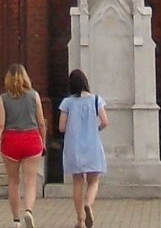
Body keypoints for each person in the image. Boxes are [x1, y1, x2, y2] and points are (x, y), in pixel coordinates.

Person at [0, 62, 46, 228]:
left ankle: (16, 220)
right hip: (31, 139)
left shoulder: (3, 99)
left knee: (13, 182)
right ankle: (28, 210)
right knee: (30, 181)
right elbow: (41, 122)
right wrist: (43, 141)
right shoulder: (34, 96)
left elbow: (0, 124)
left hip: (11, 141)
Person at [57, 68, 109, 228]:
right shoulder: (96, 100)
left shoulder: (67, 103)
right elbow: (105, 121)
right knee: (93, 181)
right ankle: (88, 204)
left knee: (77, 182)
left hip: (74, 146)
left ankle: (79, 219)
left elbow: (61, 127)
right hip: (92, 144)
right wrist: (96, 129)